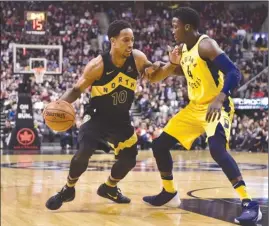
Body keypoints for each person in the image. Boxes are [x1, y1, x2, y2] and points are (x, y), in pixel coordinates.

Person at [142, 7, 262, 225]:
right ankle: (169, 192)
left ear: (188, 27)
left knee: (216, 149)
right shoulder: (183, 50)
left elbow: (234, 72)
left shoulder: (206, 44)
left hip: (216, 106)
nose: (172, 30)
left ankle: (249, 204)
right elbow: (187, 72)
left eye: (175, 26)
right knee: (159, 145)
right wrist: (168, 65)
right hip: (195, 107)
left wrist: (219, 98)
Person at [45, 20, 179, 210]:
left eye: (132, 39)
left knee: (130, 158)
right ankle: (68, 188)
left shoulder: (138, 58)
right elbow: (76, 89)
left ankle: (109, 187)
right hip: (97, 117)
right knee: (84, 151)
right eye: (126, 40)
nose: (130, 43)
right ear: (113, 41)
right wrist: (59, 104)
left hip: (121, 119)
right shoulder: (97, 65)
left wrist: (171, 64)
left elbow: (154, 76)